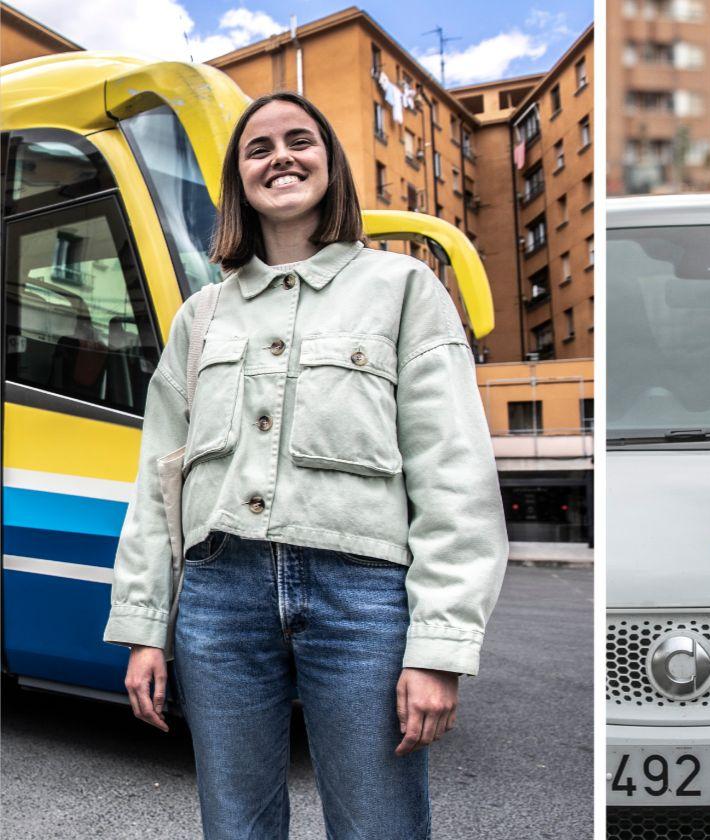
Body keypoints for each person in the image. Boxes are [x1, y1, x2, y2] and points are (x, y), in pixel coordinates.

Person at [103, 91, 508, 839]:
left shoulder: (405, 290)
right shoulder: (201, 317)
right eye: (258, 148)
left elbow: (453, 473)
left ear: (332, 164)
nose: (280, 156)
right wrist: (143, 629)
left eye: (300, 140)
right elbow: (159, 486)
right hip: (219, 600)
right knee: (237, 828)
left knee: (379, 826)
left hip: (364, 599)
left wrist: (441, 647)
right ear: (240, 182)